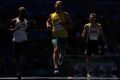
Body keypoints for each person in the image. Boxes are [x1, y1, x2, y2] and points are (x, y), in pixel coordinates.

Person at [46, 1, 73, 74]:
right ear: (55, 6)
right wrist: (48, 25)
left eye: (60, 5)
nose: (58, 6)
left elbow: (71, 25)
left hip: (64, 36)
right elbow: (48, 21)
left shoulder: (65, 14)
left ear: (62, 6)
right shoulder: (52, 15)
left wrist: (64, 24)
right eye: (57, 5)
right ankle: (56, 67)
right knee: (56, 50)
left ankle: (61, 57)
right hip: (55, 36)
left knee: (63, 52)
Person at [81, 13, 107, 77]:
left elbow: (102, 34)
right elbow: (83, 35)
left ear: (95, 19)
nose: (92, 19)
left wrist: (105, 42)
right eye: (91, 18)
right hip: (89, 42)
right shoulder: (87, 25)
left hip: (96, 42)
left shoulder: (99, 25)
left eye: (93, 18)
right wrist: (83, 33)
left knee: (95, 56)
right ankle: (88, 72)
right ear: (89, 18)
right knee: (88, 57)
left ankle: (92, 54)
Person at [9, 7, 28, 79]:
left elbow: (27, 29)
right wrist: (15, 29)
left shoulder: (26, 21)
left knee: (23, 56)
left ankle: (20, 69)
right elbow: (9, 30)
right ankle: (18, 72)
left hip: (24, 40)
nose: (23, 13)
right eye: (22, 12)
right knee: (17, 58)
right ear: (19, 12)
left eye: (24, 12)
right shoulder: (14, 20)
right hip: (16, 41)